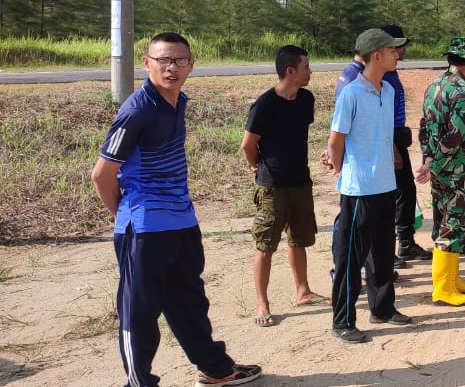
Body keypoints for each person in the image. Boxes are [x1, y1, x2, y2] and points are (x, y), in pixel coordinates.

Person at [91, 32, 263, 387]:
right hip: (144, 229)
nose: (171, 68)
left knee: (190, 302)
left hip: (182, 222)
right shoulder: (136, 112)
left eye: (179, 61)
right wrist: (125, 218)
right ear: (146, 64)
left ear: (191, 65)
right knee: (139, 313)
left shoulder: (177, 101)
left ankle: (215, 369)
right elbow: (102, 174)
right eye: (163, 60)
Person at [328, 28, 412, 344]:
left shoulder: (386, 91)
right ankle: (343, 321)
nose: (397, 55)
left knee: (382, 252)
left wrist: (391, 156)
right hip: (359, 189)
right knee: (351, 258)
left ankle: (382, 308)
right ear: (377, 54)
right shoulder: (351, 94)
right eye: (393, 51)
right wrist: (343, 175)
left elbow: (385, 132)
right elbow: (335, 142)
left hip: (385, 184)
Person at [241, 45, 328, 329]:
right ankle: (261, 302)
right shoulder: (264, 105)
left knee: (299, 239)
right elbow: (248, 145)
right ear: (290, 71)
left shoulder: (306, 99)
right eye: (306, 67)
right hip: (272, 187)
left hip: (300, 182)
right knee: (266, 244)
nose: (310, 71)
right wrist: (258, 167)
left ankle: (302, 290)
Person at [416, 37, 465, 306]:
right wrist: (435, 164)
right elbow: (455, 136)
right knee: (454, 224)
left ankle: (451, 278)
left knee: (443, 221)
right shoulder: (464, 92)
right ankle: (443, 289)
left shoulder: (434, 86)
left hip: (441, 167)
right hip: (458, 170)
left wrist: (429, 160)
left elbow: (425, 127)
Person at [378, 25, 432, 264]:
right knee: (399, 194)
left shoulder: (391, 72)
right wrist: (393, 149)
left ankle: (405, 243)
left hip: (397, 135)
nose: (404, 50)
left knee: (405, 194)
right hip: (391, 139)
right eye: (400, 46)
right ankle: (397, 246)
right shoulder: (383, 74)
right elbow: (383, 116)